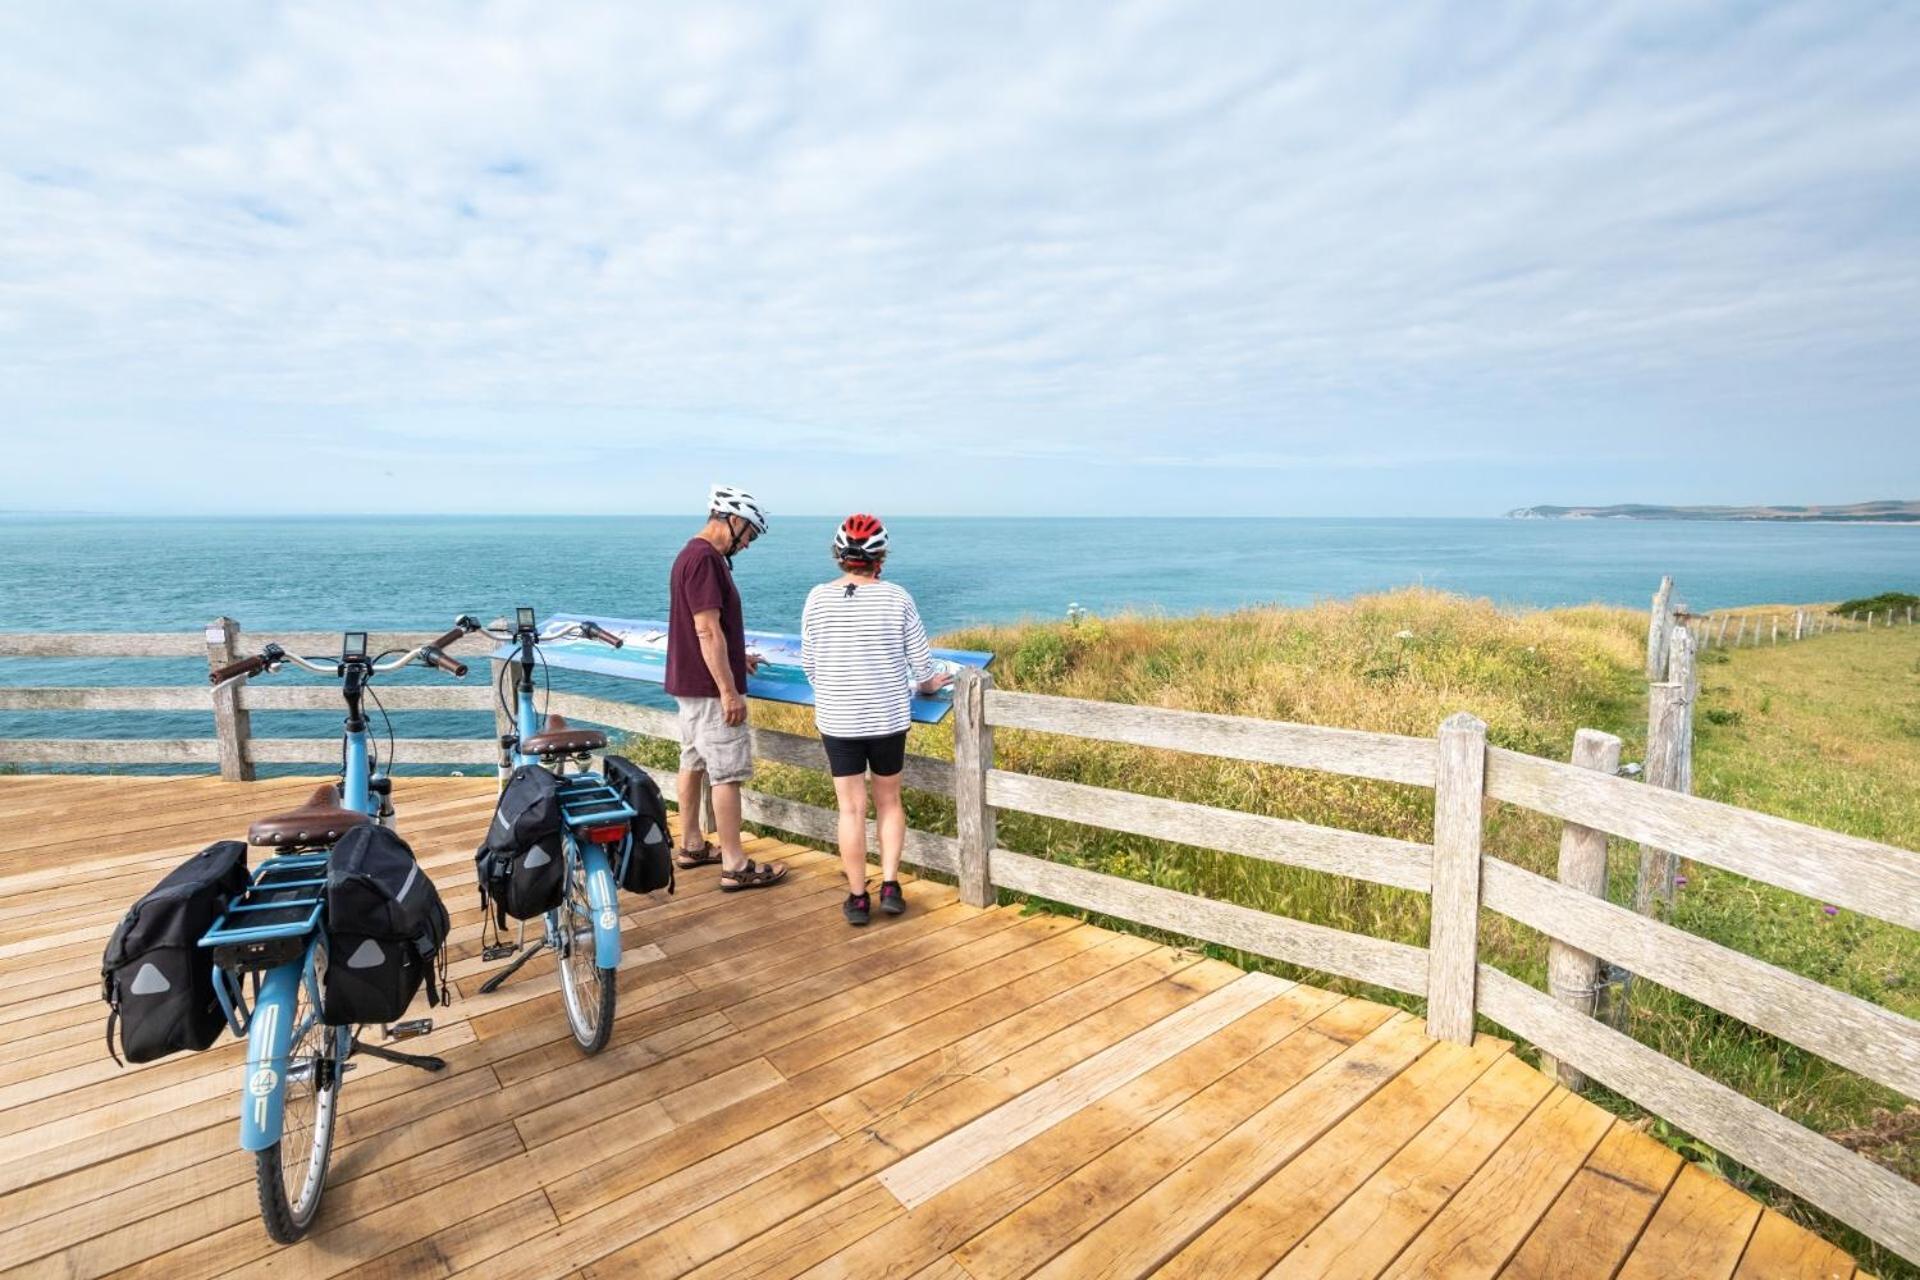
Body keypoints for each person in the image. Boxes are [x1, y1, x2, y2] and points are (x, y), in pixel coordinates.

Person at [800, 513, 951, 924]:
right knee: (888, 801)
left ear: (839, 555)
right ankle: (889, 885)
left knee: (850, 809)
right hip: (886, 716)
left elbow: (810, 665)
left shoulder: (817, 598)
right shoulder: (897, 597)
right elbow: (923, 671)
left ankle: (857, 897)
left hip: (838, 719)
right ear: (879, 557)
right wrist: (930, 685)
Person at [666, 484, 787, 891]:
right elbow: (705, 628)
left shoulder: (688, 555)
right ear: (732, 520)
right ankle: (735, 864)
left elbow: (707, 630)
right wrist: (729, 690)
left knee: (693, 762)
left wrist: (739, 657)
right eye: (749, 533)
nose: (748, 544)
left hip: (689, 684)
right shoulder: (706, 559)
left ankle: (692, 844)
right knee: (726, 774)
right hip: (709, 690)